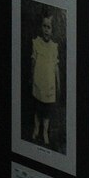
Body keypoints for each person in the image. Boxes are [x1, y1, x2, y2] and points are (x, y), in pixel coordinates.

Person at [31, 12, 61, 148]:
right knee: (38, 109)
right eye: (44, 26)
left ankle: (45, 133)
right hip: (38, 82)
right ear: (41, 27)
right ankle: (36, 129)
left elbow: (56, 67)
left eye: (49, 27)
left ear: (52, 30)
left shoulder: (54, 47)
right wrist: (31, 78)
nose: (46, 29)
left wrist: (58, 83)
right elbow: (33, 62)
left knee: (47, 111)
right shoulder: (36, 43)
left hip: (49, 85)